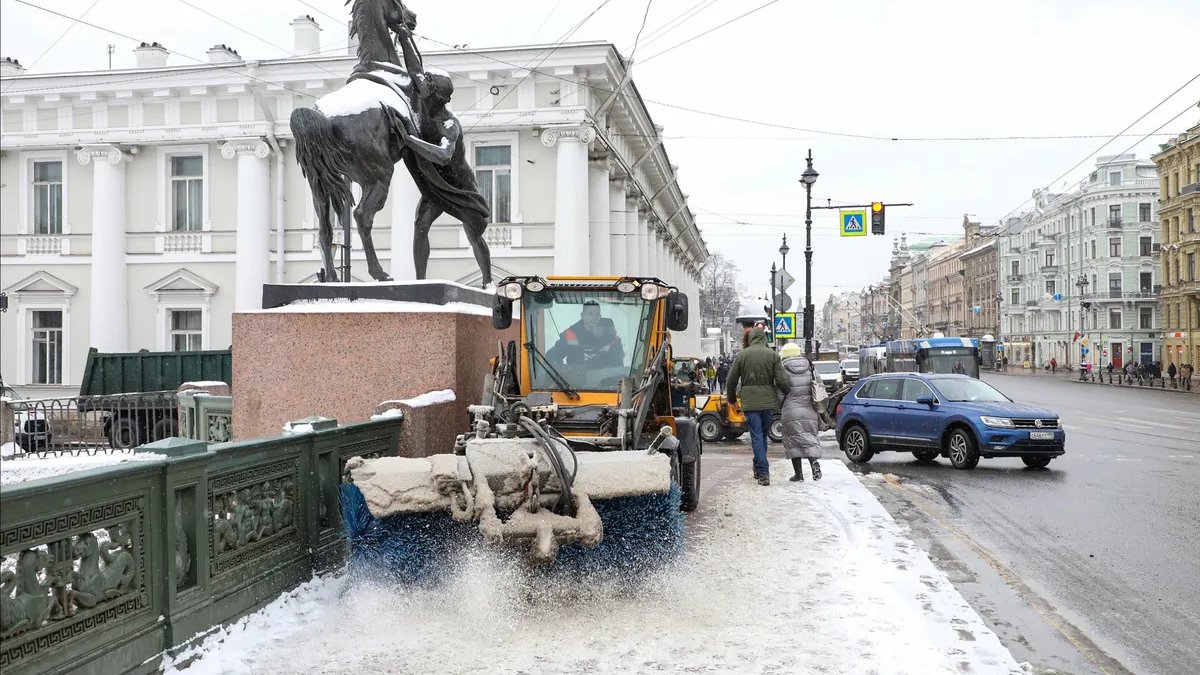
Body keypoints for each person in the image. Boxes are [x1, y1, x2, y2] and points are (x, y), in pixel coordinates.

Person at [726, 326, 791, 486]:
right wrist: (787, 393)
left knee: (756, 436)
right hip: (768, 402)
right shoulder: (773, 355)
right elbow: (782, 380)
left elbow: (731, 380)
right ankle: (759, 467)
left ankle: (763, 472)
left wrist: (732, 398)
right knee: (761, 436)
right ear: (764, 338)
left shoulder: (742, 355)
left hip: (750, 403)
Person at [778, 343, 822, 482]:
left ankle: (799, 474)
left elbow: (779, 393)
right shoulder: (810, 367)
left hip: (791, 410)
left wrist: (779, 406)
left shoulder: (782, 370)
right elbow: (819, 385)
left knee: (793, 441)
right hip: (809, 408)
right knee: (809, 437)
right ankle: (814, 463)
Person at [545, 300, 625, 368]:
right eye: (590, 314)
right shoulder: (571, 335)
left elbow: (618, 363)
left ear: (600, 317)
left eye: (597, 314)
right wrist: (562, 374)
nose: (594, 318)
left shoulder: (610, 338)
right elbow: (552, 356)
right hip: (576, 383)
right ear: (582, 315)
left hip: (604, 383)